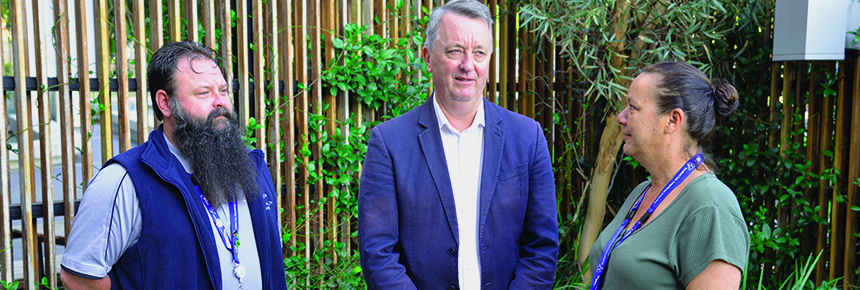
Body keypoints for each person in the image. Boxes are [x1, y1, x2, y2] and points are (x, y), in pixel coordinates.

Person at [357, 0, 559, 289]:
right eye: (455, 51)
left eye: (479, 53)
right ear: (428, 58)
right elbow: (378, 254)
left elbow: (542, 247)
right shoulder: (389, 143)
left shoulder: (528, 137)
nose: (468, 66)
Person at [59, 41, 288, 290]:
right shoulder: (125, 181)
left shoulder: (251, 167)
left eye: (223, 91)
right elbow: (79, 277)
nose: (219, 102)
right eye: (204, 93)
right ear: (165, 103)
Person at [588, 61, 750, 290]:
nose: (621, 117)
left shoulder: (711, 207)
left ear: (673, 120)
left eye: (633, 108)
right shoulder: (643, 192)